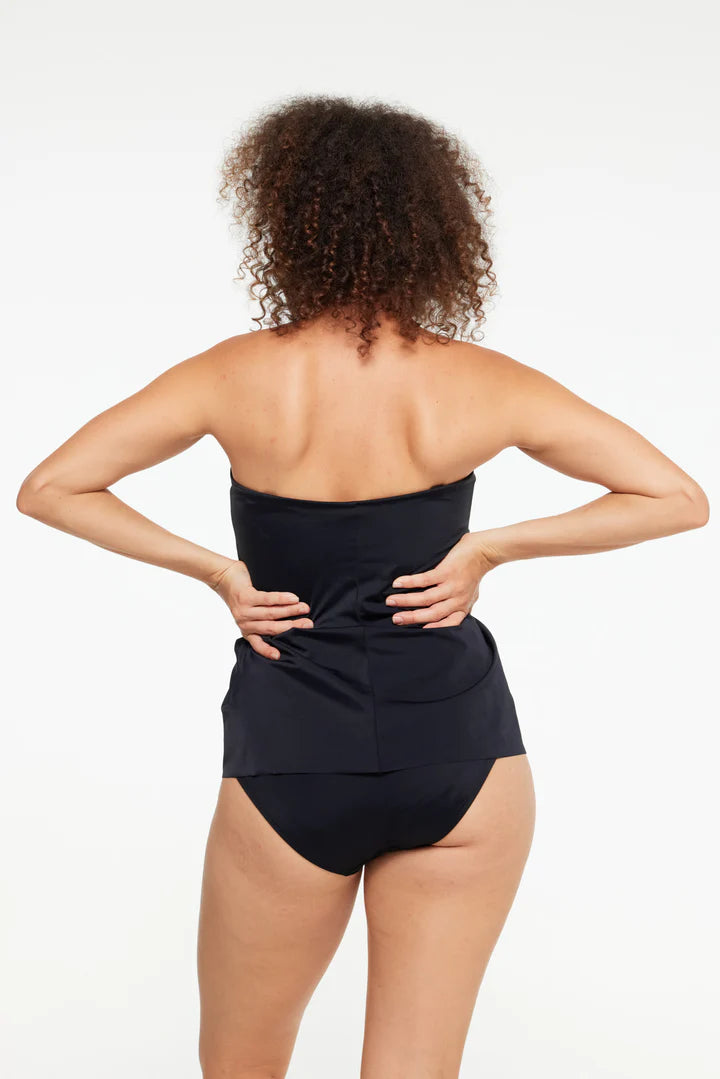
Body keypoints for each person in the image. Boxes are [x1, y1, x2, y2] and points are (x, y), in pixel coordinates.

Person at [16, 95, 709, 1079]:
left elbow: (50, 487)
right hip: (461, 749)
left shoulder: (231, 375)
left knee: (239, 1064)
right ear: (437, 225)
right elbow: (677, 497)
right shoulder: (486, 381)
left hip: (293, 747)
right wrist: (490, 548)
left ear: (286, 219)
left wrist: (217, 569)